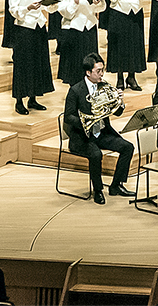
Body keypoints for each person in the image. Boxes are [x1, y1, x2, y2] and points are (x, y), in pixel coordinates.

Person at [63, 53, 133, 204]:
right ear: (88, 72)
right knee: (95, 155)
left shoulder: (105, 87)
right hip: (82, 137)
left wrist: (119, 101)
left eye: (103, 70)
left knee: (128, 147)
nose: (102, 74)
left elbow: (118, 112)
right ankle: (98, 190)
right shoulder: (76, 90)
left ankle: (116, 186)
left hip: (101, 133)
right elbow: (68, 117)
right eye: (98, 71)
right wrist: (87, 121)